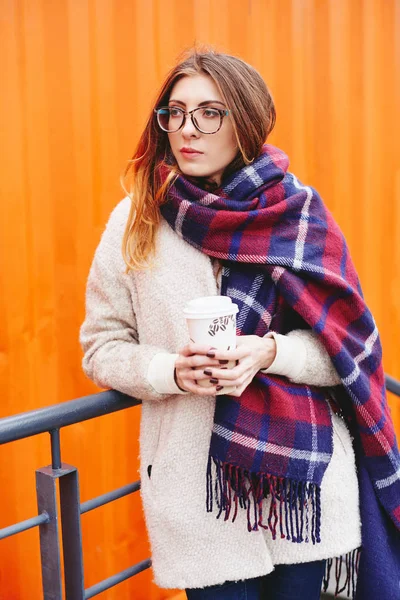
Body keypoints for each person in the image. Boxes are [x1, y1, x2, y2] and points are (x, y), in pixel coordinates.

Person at [80, 49, 400, 600]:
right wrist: (170, 371)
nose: (187, 130)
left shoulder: (300, 214)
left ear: (245, 120)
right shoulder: (136, 217)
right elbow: (101, 347)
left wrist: (270, 353)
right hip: (197, 490)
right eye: (174, 113)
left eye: (210, 113)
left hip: (303, 490)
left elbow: (348, 350)